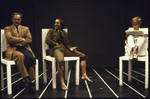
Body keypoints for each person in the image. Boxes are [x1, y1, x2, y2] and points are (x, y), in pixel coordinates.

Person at [46, 18, 93, 90]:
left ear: (61, 24)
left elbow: (67, 44)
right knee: (60, 61)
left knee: (83, 56)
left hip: (64, 49)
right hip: (56, 49)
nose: (55, 24)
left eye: (57, 23)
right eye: (55, 22)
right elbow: (47, 40)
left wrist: (70, 48)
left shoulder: (64, 33)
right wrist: (55, 44)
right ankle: (62, 82)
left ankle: (83, 75)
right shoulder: (51, 31)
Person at [4, 12, 36, 92]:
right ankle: (25, 78)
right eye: (15, 19)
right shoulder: (8, 28)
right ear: (12, 20)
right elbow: (9, 39)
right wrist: (21, 39)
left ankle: (31, 79)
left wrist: (19, 43)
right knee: (20, 56)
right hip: (12, 49)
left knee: (30, 57)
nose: (16, 21)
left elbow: (29, 40)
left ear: (20, 20)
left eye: (18, 19)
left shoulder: (26, 28)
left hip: (24, 48)